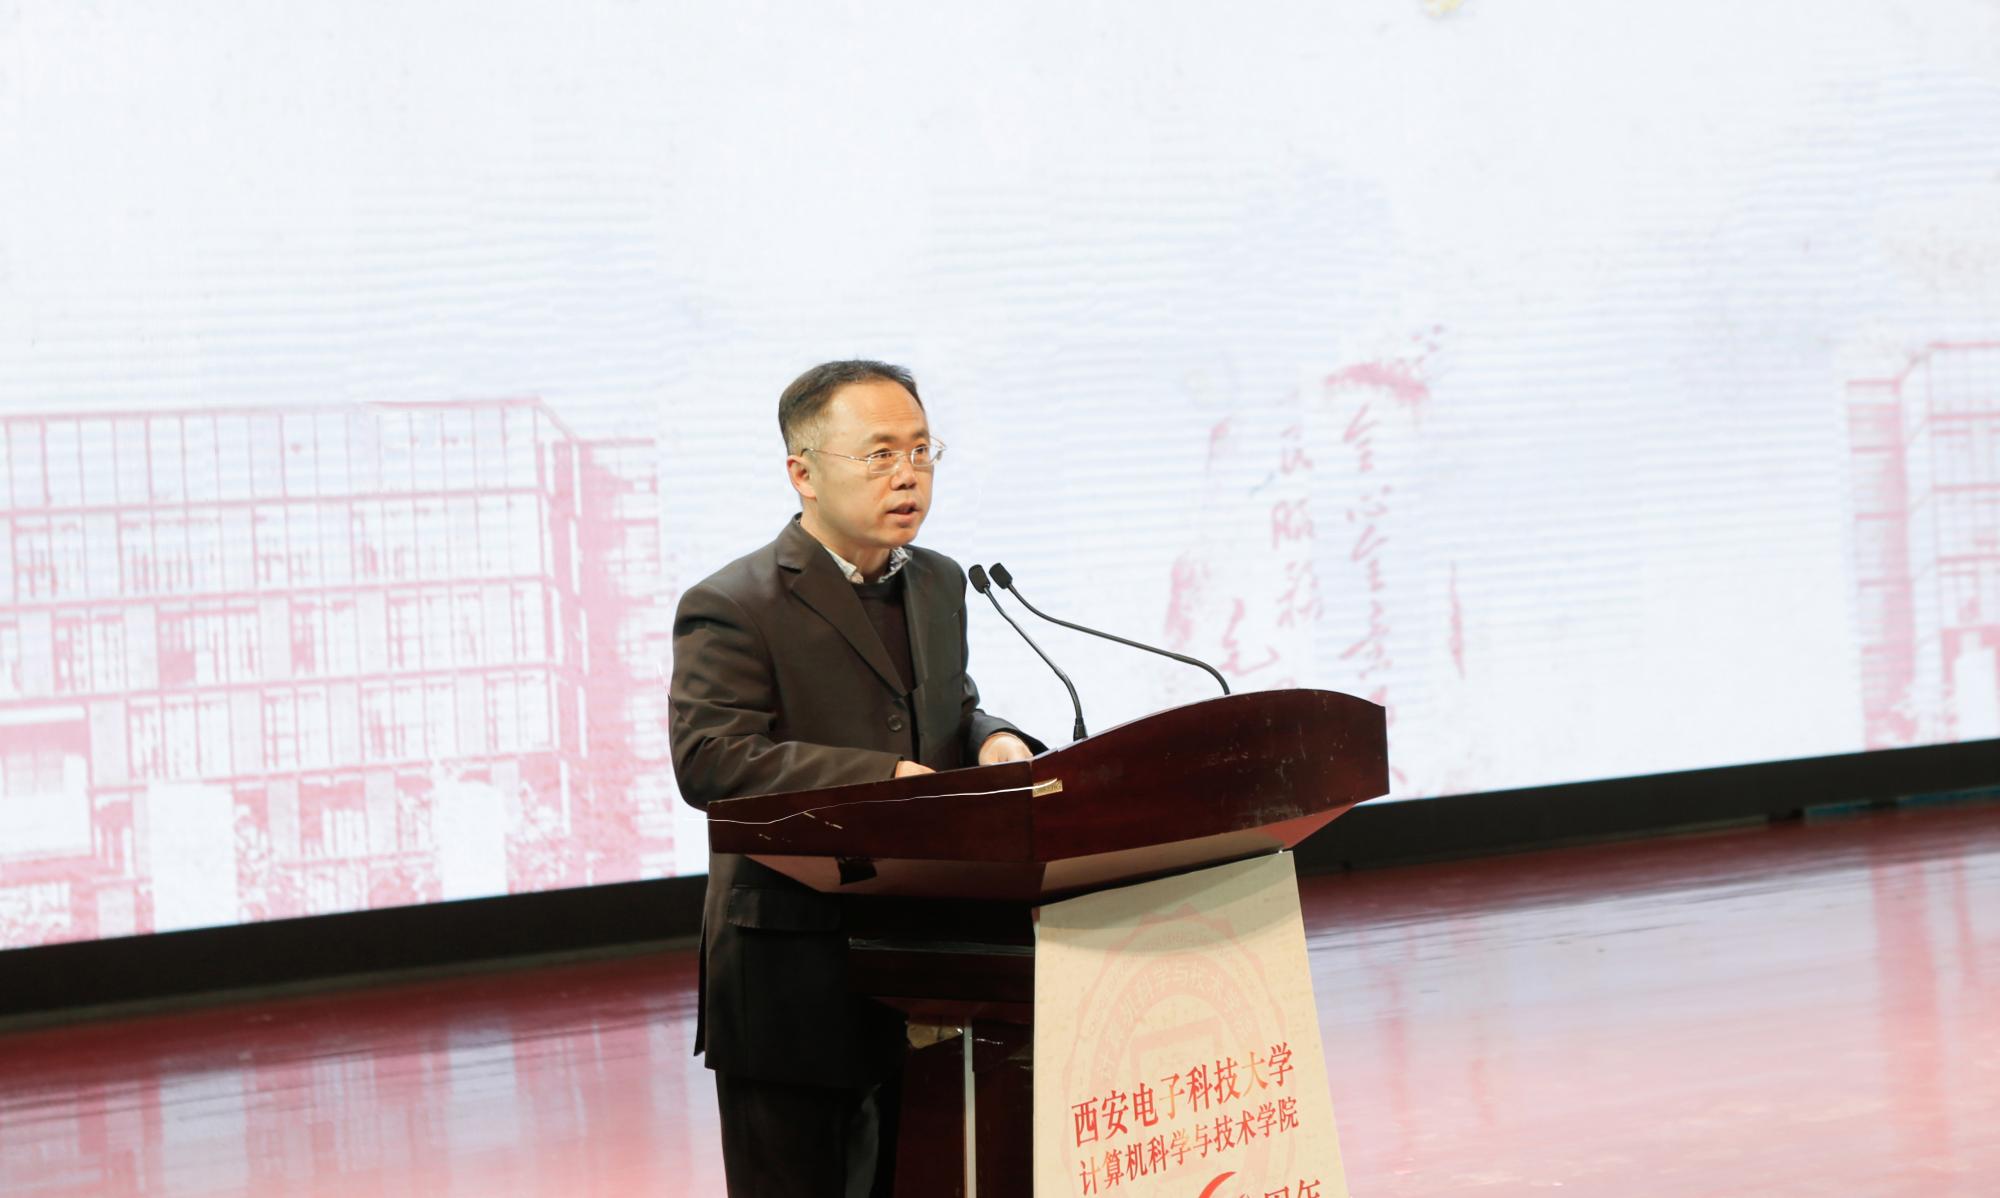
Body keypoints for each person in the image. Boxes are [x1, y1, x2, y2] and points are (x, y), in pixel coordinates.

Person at [669, 359, 1041, 1198]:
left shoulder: (938, 581)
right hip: (793, 970)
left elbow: (945, 705)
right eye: (879, 454)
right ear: (803, 472)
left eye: (921, 450)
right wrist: (883, 777)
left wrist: (990, 735)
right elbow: (711, 757)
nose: (908, 474)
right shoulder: (733, 604)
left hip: (933, 960)